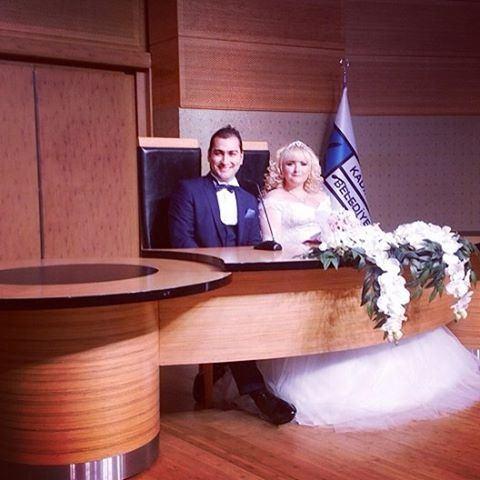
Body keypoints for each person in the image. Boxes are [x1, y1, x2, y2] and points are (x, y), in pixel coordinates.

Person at [217, 140, 480, 430]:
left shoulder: (321, 198)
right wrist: (309, 246)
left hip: (330, 268)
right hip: (296, 271)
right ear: (280, 167)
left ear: (311, 169)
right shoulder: (272, 199)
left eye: (303, 164)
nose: (296, 169)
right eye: (290, 163)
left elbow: (334, 230)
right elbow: (273, 244)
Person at [168, 125, 297, 425]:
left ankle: (219, 368)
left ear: (241, 158)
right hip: (202, 282)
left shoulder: (251, 197)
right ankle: (259, 394)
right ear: (209, 156)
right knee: (232, 313)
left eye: (231, 154)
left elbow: (253, 245)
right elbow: (181, 243)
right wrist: (214, 275)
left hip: (241, 284)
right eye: (218, 153)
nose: (225, 161)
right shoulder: (188, 190)